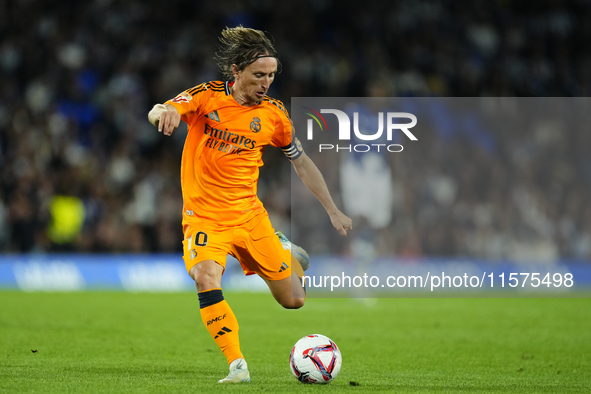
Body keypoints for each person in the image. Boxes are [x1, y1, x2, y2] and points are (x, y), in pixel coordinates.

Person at [147, 26, 352, 383]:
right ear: (236, 71)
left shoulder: (274, 116)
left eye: (271, 76)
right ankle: (236, 364)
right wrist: (164, 114)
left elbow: (301, 162)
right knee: (205, 275)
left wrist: (332, 209)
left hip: (250, 218)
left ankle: (284, 249)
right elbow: (163, 108)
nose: (266, 82)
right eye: (259, 75)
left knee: (294, 301)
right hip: (205, 219)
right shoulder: (207, 98)